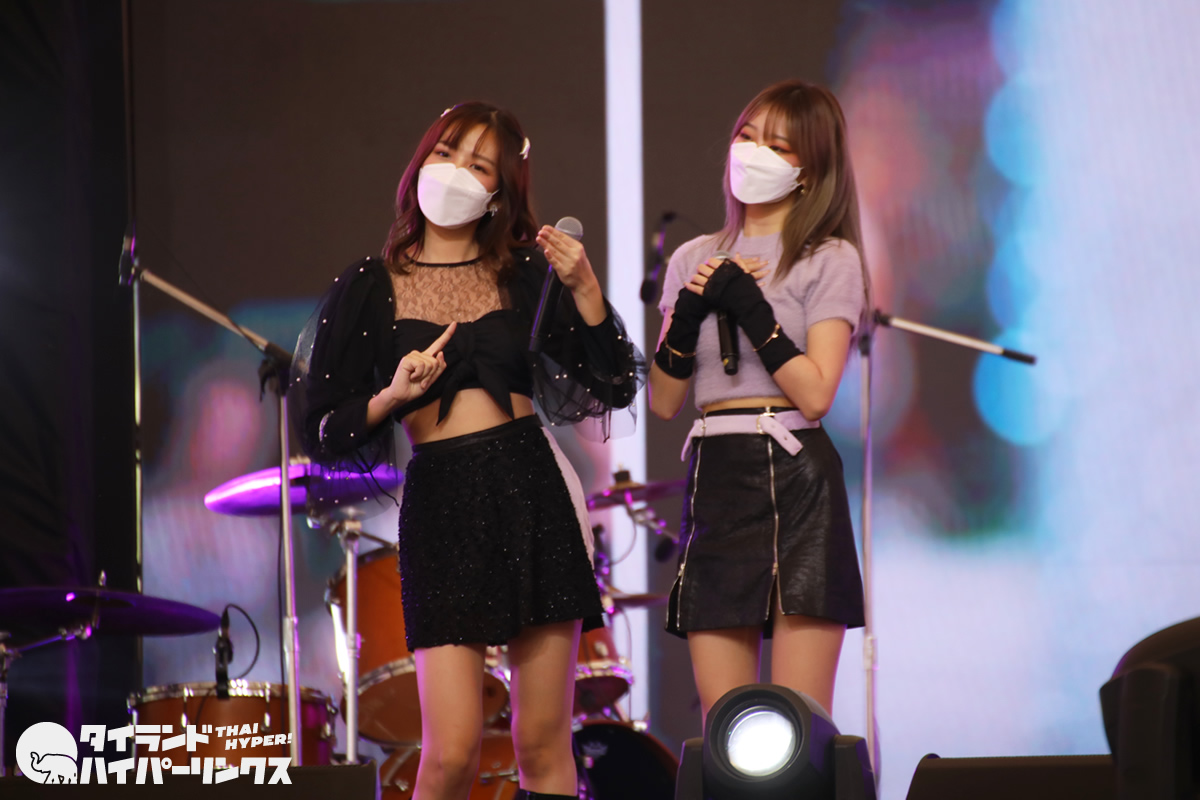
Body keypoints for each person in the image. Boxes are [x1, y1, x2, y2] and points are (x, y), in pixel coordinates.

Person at [301, 102, 643, 800]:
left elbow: (612, 383)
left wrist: (584, 288)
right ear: (420, 163)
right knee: (450, 754)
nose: (456, 171)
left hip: (531, 488)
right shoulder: (369, 286)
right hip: (443, 501)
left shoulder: (525, 274)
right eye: (446, 152)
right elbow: (324, 431)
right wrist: (391, 397)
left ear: (498, 193)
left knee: (542, 746)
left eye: (479, 165)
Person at [649, 79, 869, 724]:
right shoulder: (691, 257)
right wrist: (688, 312)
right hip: (717, 475)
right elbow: (664, 400)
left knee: (801, 725)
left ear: (810, 170)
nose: (753, 153)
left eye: (778, 145)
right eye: (747, 137)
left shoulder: (829, 257)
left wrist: (751, 307)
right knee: (727, 726)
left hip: (796, 475)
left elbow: (817, 393)